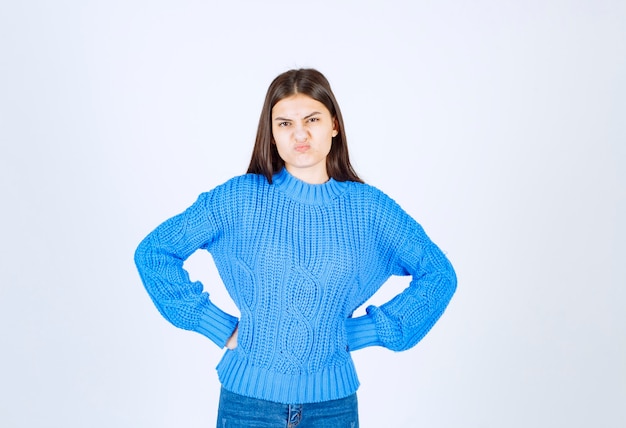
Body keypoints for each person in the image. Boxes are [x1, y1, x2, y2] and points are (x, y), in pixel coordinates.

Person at [134, 68, 457, 427]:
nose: (299, 133)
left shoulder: (370, 209)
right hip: (248, 406)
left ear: (334, 124)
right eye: (284, 124)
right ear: (271, 135)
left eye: (312, 119)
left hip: (332, 408)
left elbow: (439, 275)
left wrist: (367, 331)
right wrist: (217, 325)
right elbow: (154, 253)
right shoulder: (239, 198)